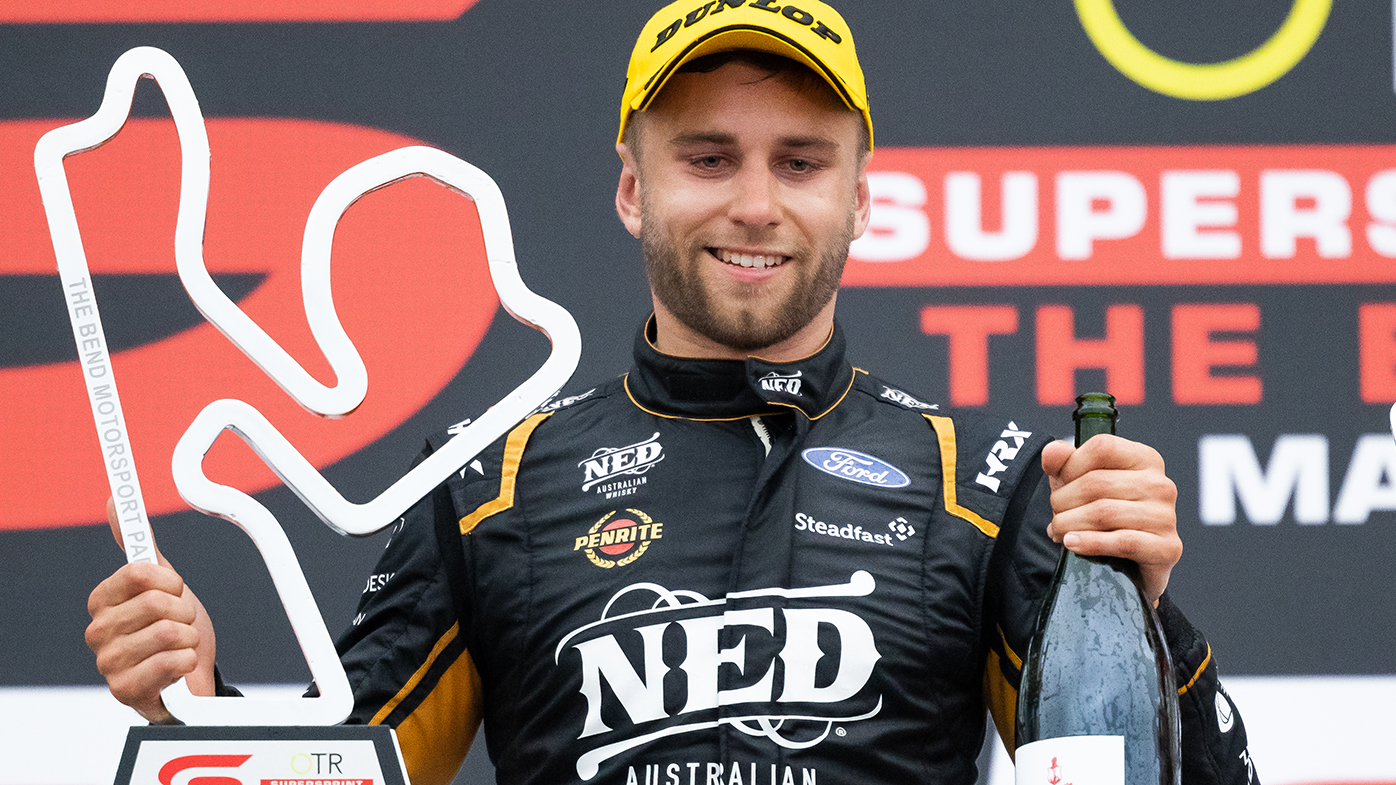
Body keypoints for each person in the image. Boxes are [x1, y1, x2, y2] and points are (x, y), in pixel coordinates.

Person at [85, 2, 1257, 784]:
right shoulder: (489, 473)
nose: (755, 202)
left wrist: (1151, 617)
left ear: (860, 199)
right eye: (707, 157)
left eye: (800, 162)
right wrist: (200, 710)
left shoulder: (989, 478)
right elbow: (348, 762)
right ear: (632, 189)